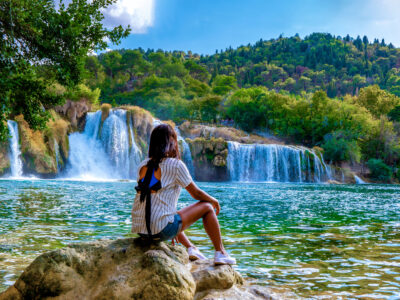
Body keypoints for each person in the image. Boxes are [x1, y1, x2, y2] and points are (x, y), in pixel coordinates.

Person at [131, 123, 236, 265]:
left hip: (141, 230)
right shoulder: (175, 165)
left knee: (171, 214)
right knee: (206, 206)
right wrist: (213, 200)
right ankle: (220, 252)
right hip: (160, 230)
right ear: (172, 141)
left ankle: (191, 248)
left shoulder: (142, 165)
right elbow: (196, 193)